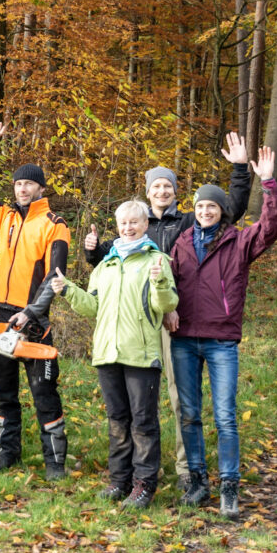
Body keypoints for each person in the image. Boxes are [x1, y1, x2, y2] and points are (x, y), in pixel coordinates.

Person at [83, 132, 252, 489]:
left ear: (175, 191)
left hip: (176, 320)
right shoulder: (131, 228)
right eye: (156, 186)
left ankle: (185, 468)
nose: (162, 191)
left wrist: (240, 169)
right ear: (147, 192)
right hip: (135, 327)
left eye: (168, 186)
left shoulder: (189, 222)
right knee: (138, 402)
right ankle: (143, 470)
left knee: (179, 397)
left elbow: (230, 212)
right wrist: (92, 251)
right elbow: (110, 266)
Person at [32, 200, 177, 508]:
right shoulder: (105, 265)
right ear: (118, 226)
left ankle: (144, 484)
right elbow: (93, 307)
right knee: (117, 421)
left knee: (143, 422)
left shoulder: (158, 260)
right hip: (107, 354)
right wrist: (69, 289)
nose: (128, 227)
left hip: (140, 354)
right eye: (123, 223)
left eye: (134, 223)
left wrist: (160, 282)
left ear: (145, 225)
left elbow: (166, 305)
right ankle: (119, 481)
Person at [169, 146, 277, 520]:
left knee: (225, 416)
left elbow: (273, 226)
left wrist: (267, 184)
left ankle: (229, 487)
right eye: (201, 206)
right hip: (184, 339)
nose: (205, 211)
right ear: (195, 210)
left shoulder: (239, 241)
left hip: (221, 341)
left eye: (212, 207)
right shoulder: (181, 244)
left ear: (222, 212)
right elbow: (165, 284)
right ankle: (198, 482)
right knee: (189, 414)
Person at [0, 122, 70, 480]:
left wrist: (31, 313)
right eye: (17, 183)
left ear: (41, 188)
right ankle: (7, 453)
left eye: (28, 183)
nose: (22, 188)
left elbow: (55, 278)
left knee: (43, 390)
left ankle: (55, 462)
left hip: (34, 320)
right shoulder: (5, 217)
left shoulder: (55, 224)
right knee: (3, 389)